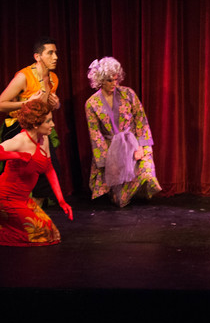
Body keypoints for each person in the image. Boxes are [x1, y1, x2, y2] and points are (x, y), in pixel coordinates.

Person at [85, 57, 161, 207]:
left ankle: (142, 187)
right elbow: (96, 135)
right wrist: (106, 161)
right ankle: (122, 192)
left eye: (115, 79)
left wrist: (140, 146)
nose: (114, 83)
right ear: (100, 80)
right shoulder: (92, 103)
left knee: (147, 172)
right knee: (120, 200)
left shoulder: (128, 94)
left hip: (132, 142)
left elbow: (141, 120)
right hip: (112, 147)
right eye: (109, 80)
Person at [0, 100, 73, 246]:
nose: (53, 125)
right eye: (48, 121)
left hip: (23, 199)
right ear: (35, 125)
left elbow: (49, 169)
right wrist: (17, 155)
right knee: (40, 234)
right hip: (6, 198)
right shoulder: (20, 141)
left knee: (52, 233)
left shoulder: (43, 138)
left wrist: (61, 200)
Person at [0, 36, 62, 206]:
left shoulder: (53, 78)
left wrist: (56, 104)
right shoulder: (24, 77)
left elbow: (45, 108)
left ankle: (34, 205)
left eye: (56, 53)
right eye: (50, 53)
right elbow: (1, 104)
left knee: (49, 169)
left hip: (38, 128)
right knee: (20, 174)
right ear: (37, 56)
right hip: (19, 128)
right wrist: (26, 103)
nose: (55, 57)